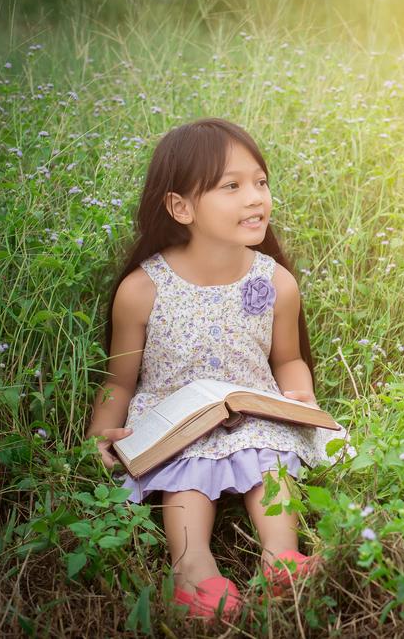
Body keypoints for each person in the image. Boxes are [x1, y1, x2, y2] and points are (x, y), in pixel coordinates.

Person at [84, 118, 353, 620]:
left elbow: (288, 359)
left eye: (260, 182)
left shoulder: (274, 282)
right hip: (175, 417)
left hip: (251, 408)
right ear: (180, 206)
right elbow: (119, 379)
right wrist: (101, 432)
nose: (256, 198)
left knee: (270, 456)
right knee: (185, 469)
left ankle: (281, 558)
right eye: (231, 186)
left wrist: (301, 399)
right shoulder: (144, 289)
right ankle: (193, 572)